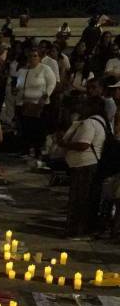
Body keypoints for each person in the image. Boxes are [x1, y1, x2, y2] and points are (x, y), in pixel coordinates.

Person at [60, 96, 108, 239]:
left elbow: (83, 145)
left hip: (85, 165)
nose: (80, 109)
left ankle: (77, 230)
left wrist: (64, 144)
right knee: (84, 198)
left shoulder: (89, 123)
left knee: (80, 199)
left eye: (84, 105)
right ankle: (80, 228)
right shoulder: (101, 122)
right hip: (88, 165)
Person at [19, 50, 58, 157]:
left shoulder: (45, 69)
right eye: (30, 56)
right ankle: (26, 148)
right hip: (27, 103)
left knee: (38, 128)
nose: (32, 58)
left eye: (35, 56)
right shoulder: (24, 70)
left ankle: (38, 150)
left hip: (40, 103)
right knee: (26, 127)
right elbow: (20, 85)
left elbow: (52, 83)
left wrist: (45, 96)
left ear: (39, 58)